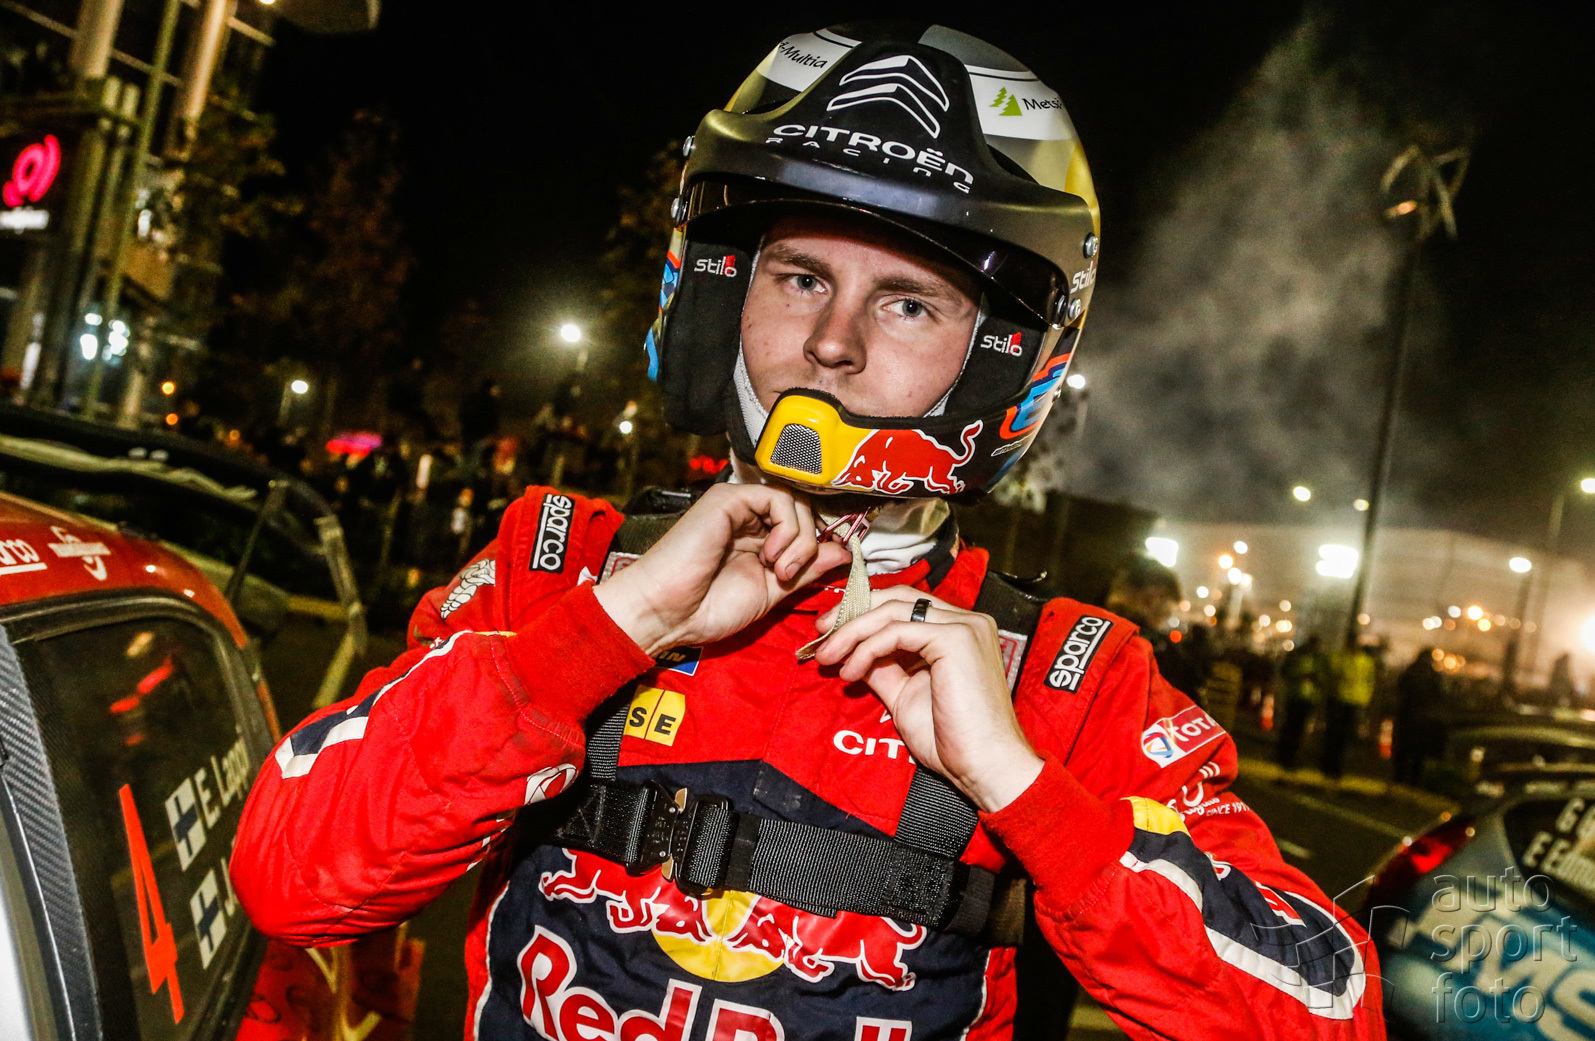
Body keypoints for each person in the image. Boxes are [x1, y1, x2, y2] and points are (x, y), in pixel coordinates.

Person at [231, 24, 1382, 1040]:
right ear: (721, 294)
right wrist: (608, 631)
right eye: (797, 278)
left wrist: (1021, 788)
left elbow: (1326, 1014)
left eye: (907, 302)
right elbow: (289, 878)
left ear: (999, 361)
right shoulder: (558, 565)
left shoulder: (1070, 678)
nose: (832, 342)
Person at [1104, 553, 1202, 701]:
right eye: (1168, 607)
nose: (1167, 615)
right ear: (1155, 596)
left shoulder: (1090, 629)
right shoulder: (1158, 649)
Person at [1320, 639, 1377, 782]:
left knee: (1338, 736)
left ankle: (1333, 766)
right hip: (1346, 701)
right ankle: (1333, 767)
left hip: (1345, 700)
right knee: (1338, 736)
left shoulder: (1342, 658)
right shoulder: (1364, 661)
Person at [1391, 647, 1443, 787]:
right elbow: (1438, 696)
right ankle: (1414, 779)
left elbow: (1400, 688)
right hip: (1422, 718)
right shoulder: (1433, 675)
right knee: (1418, 751)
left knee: (1402, 748)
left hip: (1406, 715)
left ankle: (1399, 777)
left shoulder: (1410, 671)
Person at [1275, 634, 1324, 772]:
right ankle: (1284, 756)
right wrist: (1302, 676)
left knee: (1298, 729)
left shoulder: (1317, 659)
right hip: (1296, 696)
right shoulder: (1299, 656)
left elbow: (1322, 678)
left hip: (1307, 698)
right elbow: (1285, 672)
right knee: (1291, 727)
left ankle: (1290, 756)